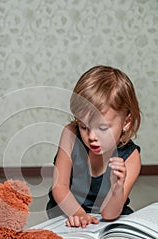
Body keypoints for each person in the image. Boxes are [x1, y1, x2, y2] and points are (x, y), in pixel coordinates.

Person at [46, 65, 141, 228]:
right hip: (69, 209)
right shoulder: (70, 134)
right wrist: (78, 214)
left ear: (126, 122)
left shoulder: (131, 157)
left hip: (109, 215)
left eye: (102, 128)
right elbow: (59, 187)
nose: (92, 137)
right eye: (84, 126)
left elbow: (109, 214)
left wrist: (117, 188)